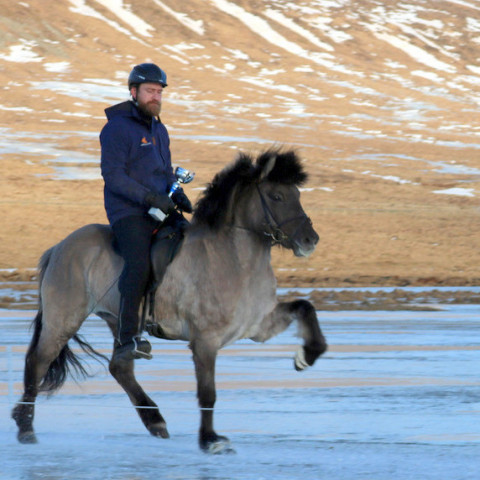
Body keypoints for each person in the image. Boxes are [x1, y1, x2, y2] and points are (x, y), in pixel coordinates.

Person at [100, 63, 192, 362]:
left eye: (159, 91)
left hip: (160, 206)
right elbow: (113, 176)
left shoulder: (160, 130)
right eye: (150, 91)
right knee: (138, 264)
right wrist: (148, 196)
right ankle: (128, 339)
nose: (156, 96)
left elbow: (165, 172)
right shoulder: (116, 128)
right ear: (133, 92)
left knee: (197, 242)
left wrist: (176, 193)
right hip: (128, 211)